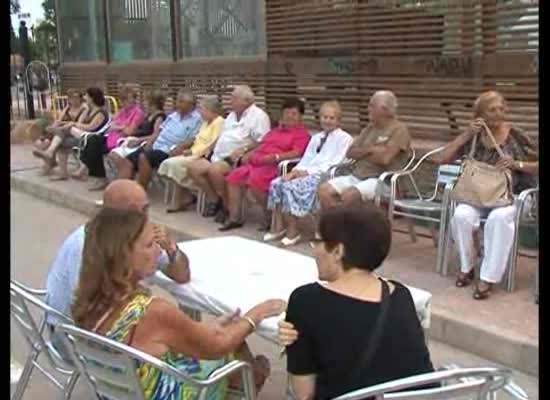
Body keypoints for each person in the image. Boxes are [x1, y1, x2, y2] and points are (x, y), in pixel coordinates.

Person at [72, 208, 286, 399]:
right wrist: (256, 314)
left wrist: (204, 329)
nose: (158, 250)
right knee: (234, 349)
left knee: (230, 336)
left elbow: (162, 337)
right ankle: (253, 379)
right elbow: (216, 346)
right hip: (171, 393)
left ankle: (250, 378)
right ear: (122, 256)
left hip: (125, 390)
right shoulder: (149, 311)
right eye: (149, 245)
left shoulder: (90, 301)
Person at [278, 206, 435, 400]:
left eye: (317, 241)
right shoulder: (400, 294)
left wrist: (294, 344)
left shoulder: (305, 301)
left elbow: (304, 393)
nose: (314, 250)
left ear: (337, 251)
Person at [45, 179, 191, 360]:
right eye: (141, 210)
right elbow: (88, 313)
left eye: (146, 209)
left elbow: (181, 276)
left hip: (90, 336)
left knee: (173, 336)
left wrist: (171, 249)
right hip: (73, 340)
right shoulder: (86, 245)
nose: (146, 217)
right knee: (173, 341)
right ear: (121, 217)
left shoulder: (136, 240)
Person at [430, 90, 538, 300]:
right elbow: (442, 159)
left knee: (499, 218)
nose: (499, 113)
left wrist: (518, 164)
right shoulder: (474, 137)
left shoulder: (516, 135)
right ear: (480, 114)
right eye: (492, 109)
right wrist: (465, 135)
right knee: (461, 215)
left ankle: (488, 277)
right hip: (478, 196)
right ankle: (467, 266)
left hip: (512, 196)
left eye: (501, 108)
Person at [264, 101, 353, 246]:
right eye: (325, 117)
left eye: (331, 118)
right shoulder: (316, 137)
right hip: (307, 172)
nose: (327, 121)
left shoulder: (345, 139)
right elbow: (307, 158)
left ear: (338, 120)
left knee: (290, 187)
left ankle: (294, 231)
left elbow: (335, 163)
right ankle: (279, 226)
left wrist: (306, 172)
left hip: (324, 175)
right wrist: (295, 171)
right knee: (278, 183)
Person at [220, 97, 311, 231]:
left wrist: (276, 156)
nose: (289, 116)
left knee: (255, 180)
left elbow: (297, 153)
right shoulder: (275, 131)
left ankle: (269, 214)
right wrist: (249, 153)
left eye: (294, 113)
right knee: (234, 177)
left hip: (274, 166)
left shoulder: (301, 134)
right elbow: (263, 144)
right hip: (257, 162)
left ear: (300, 117)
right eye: (287, 113)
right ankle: (235, 218)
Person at [187, 85, 271, 224]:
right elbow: (222, 136)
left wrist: (244, 150)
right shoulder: (231, 115)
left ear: (246, 101)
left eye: (234, 98)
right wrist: (210, 147)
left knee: (215, 171)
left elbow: (263, 142)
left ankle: (226, 207)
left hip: (235, 158)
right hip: (217, 155)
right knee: (193, 168)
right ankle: (216, 200)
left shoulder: (259, 116)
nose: (230, 101)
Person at [318, 90, 411, 209]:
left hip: (383, 181)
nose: (368, 109)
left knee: (349, 195)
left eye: (372, 105)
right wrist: (372, 149)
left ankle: (344, 223)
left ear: (384, 109)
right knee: (324, 190)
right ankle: (336, 224)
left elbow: (385, 159)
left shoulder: (399, 130)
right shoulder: (369, 129)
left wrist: (363, 152)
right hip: (358, 177)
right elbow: (350, 152)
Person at [115, 89, 202, 190]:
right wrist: (150, 141)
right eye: (178, 101)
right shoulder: (173, 115)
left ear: (191, 105)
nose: (177, 104)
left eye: (181, 102)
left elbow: (194, 138)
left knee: (144, 157)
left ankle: (139, 192)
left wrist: (181, 146)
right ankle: (120, 191)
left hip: (169, 150)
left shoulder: (197, 119)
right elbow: (159, 131)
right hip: (157, 145)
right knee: (127, 160)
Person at [157, 95, 225, 213]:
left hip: (202, 155)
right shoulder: (205, 123)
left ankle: (198, 195)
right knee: (170, 163)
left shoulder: (219, 122)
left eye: (202, 109)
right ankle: (185, 197)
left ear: (210, 110)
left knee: (174, 165)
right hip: (193, 152)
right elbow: (197, 139)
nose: (200, 112)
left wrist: (192, 152)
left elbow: (212, 145)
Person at [33, 87, 110, 183]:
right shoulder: (90, 110)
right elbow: (77, 124)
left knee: (62, 137)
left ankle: (51, 158)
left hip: (91, 139)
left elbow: (91, 127)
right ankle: (54, 163)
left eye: (86, 95)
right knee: (62, 141)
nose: (85, 98)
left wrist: (73, 124)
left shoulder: (100, 112)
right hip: (82, 135)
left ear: (92, 98)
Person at [108, 90, 167, 178]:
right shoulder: (148, 115)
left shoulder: (159, 117)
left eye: (146, 101)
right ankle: (128, 178)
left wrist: (138, 140)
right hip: (134, 140)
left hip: (142, 143)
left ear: (153, 103)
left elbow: (155, 135)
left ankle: (126, 180)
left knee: (124, 160)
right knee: (115, 155)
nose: (144, 104)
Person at [33, 89, 88, 176]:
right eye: (72, 98)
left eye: (77, 97)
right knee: (43, 142)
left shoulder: (84, 108)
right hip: (62, 133)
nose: (74, 100)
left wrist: (62, 125)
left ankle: (50, 158)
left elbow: (78, 124)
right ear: (69, 99)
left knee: (57, 137)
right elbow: (59, 120)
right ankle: (49, 162)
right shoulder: (68, 107)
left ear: (80, 98)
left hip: (74, 133)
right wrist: (54, 126)